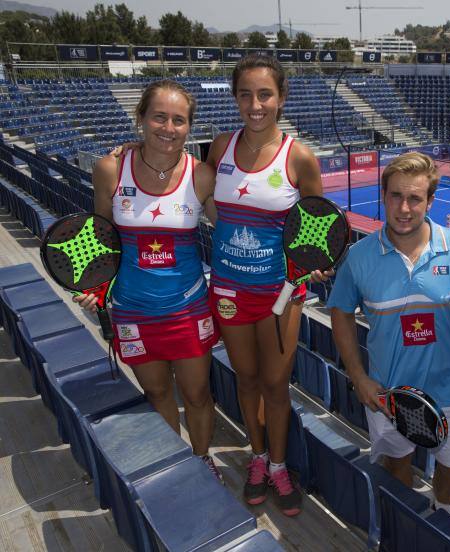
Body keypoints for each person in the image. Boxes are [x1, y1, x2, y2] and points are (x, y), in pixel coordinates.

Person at [75, 80, 222, 480]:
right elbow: (101, 236)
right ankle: (174, 464)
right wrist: (95, 286)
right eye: (159, 116)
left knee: (196, 395)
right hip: (132, 310)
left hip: (188, 308)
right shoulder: (109, 169)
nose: (168, 127)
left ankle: (203, 459)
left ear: (189, 127)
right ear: (140, 118)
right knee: (157, 394)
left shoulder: (202, 175)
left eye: (178, 120)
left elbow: (231, 231)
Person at [328, 152, 450, 516]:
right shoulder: (360, 256)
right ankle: (404, 519)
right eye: (395, 196)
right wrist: (358, 377)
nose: (404, 207)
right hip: (386, 392)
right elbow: (340, 312)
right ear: (383, 196)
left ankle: (440, 513)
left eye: (415, 198)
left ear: (430, 201)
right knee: (396, 466)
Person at [203, 54, 325, 515]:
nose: (255, 104)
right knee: (247, 379)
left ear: (281, 98)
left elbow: (319, 229)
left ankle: (278, 465)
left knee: (275, 385)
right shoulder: (219, 147)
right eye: (245, 94)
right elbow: (195, 191)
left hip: (280, 295)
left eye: (264, 94)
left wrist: (311, 266)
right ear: (235, 98)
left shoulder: (299, 157)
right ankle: (256, 457)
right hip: (229, 291)